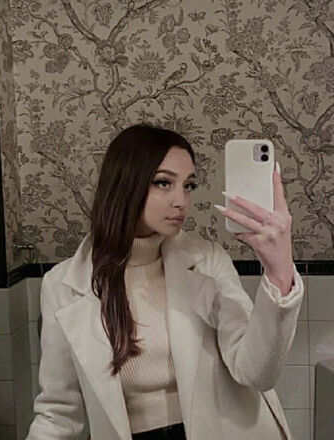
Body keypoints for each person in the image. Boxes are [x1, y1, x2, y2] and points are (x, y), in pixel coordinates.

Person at [26, 124, 304, 440]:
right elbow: (59, 414)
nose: (181, 200)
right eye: (163, 183)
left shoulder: (208, 261)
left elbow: (256, 373)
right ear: (124, 184)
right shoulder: (63, 285)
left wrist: (279, 274)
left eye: (188, 185)